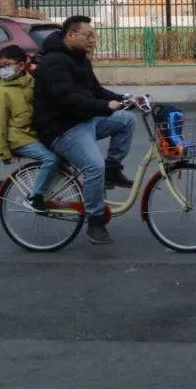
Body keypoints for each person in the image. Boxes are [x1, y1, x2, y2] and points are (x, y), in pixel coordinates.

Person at [32, 15, 142, 245]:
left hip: (84, 120)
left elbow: (96, 91)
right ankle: (95, 221)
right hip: (63, 128)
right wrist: (104, 107)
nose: (93, 40)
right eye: (88, 35)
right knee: (93, 166)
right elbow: (68, 99)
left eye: (94, 35)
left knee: (126, 121)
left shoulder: (80, 59)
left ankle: (112, 169)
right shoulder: (54, 62)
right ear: (71, 35)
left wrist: (124, 98)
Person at [0, 44, 58, 212]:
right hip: (19, 139)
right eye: (1, 65)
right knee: (51, 159)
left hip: (33, 134)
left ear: (21, 65)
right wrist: (3, 153)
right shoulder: (3, 93)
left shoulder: (31, 83)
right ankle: (35, 196)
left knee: (63, 154)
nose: (3, 69)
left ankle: (45, 189)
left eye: (7, 64)